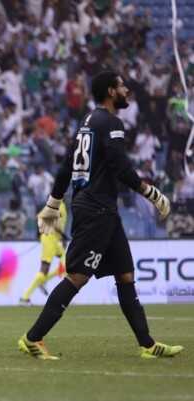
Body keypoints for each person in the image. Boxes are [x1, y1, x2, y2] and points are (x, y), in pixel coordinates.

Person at [18, 71, 183, 360]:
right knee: (77, 277)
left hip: (100, 208)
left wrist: (54, 202)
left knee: (125, 275)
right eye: (121, 86)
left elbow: (67, 166)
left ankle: (147, 344)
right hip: (97, 209)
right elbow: (120, 166)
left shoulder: (86, 124)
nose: (127, 90)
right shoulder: (111, 123)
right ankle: (33, 338)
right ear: (110, 91)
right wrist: (151, 193)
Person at [19, 202, 67, 305]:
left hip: (55, 240)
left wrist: (38, 233)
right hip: (50, 238)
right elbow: (50, 221)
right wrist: (63, 236)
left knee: (65, 264)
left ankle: (43, 281)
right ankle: (24, 298)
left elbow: (40, 216)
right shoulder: (58, 204)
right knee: (44, 269)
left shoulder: (57, 203)